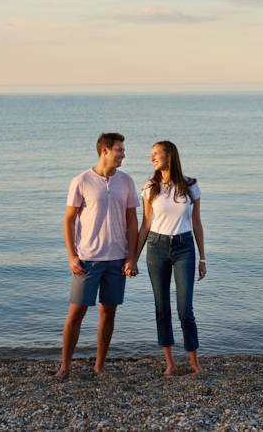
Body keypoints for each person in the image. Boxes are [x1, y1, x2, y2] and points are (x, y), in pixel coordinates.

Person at [55, 132, 140, 380]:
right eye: (120, 150)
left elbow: (132, 220)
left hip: (117, 258)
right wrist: (72, 256)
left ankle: (99, 366)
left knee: (109, 312)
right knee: (76, 312)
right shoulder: (81, 180)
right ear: (105, 150)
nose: (123, 154)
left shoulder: (126, 181)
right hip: (88, 259)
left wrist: (132, 256)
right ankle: (65, 367)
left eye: (123, 150)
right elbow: (69, 220)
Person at [136, 140, 206, 375]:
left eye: (156, 154)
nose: (152, 158)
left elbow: (196, 222)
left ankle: (194, 360)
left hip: (184, 247)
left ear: (170, 156)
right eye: (151, 154)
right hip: (156, 246)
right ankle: (170, 363)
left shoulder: (190, 186)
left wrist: (203, 258)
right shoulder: (150, 187)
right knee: (161, 307)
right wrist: (133, 258)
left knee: (185, 308)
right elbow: (145, 224)